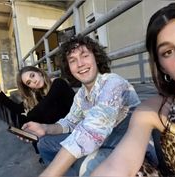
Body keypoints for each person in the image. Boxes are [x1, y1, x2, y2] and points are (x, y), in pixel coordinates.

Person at [91, 2, 175, 176]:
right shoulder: (152, 110)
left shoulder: (112, 83)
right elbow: (120, 163)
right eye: (168, 52)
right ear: (162, 67)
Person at [21, 35, 140, 176]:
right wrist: (44, 128)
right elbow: (69, 123)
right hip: (100, 143)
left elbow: (92, 129)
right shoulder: (80, 96)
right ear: (69, 68)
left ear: (96, 57)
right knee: (44, 143)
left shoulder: (113, 82)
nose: (80, 64)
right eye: (73, 60)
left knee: (86, 164)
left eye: (85, 56)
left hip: (125, 145)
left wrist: (49, 174)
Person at [0, 66, 75, 126]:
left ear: (39, 73)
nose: (33, 81)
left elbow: (41, 109)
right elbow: (18, 109)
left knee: (34, 122)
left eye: (32, 75)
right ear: (29, 87)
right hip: (62, 127)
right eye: (29, 82)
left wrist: (28, 116)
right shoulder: (39, 94)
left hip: (76, 125)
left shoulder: (58, 83)